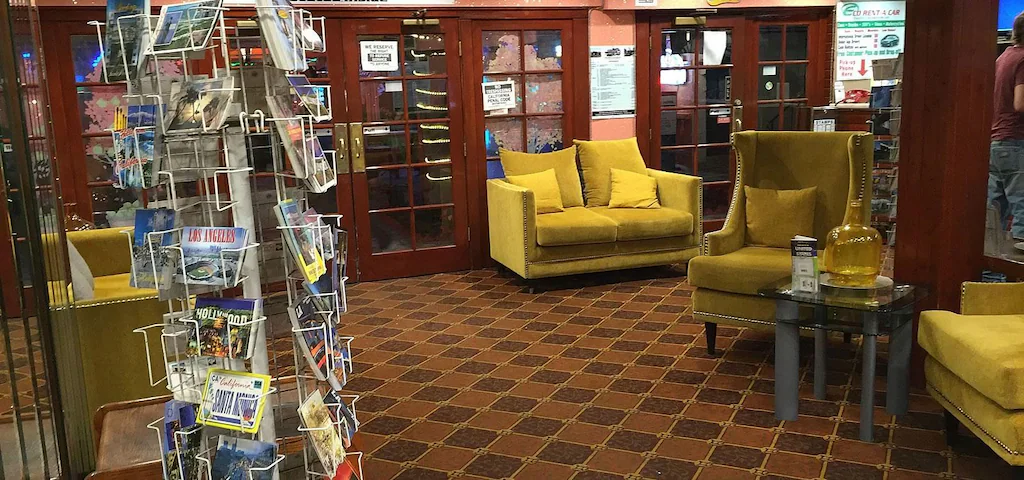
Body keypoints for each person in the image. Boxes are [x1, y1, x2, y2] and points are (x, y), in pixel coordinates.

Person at [990, 12, 1024, 240]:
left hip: (996, 141)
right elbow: (1020, 103)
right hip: (1016, 141)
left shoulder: (1003, 58)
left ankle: (991, 273)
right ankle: (1019, 271)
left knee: (994, 213)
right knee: (1022, 209)